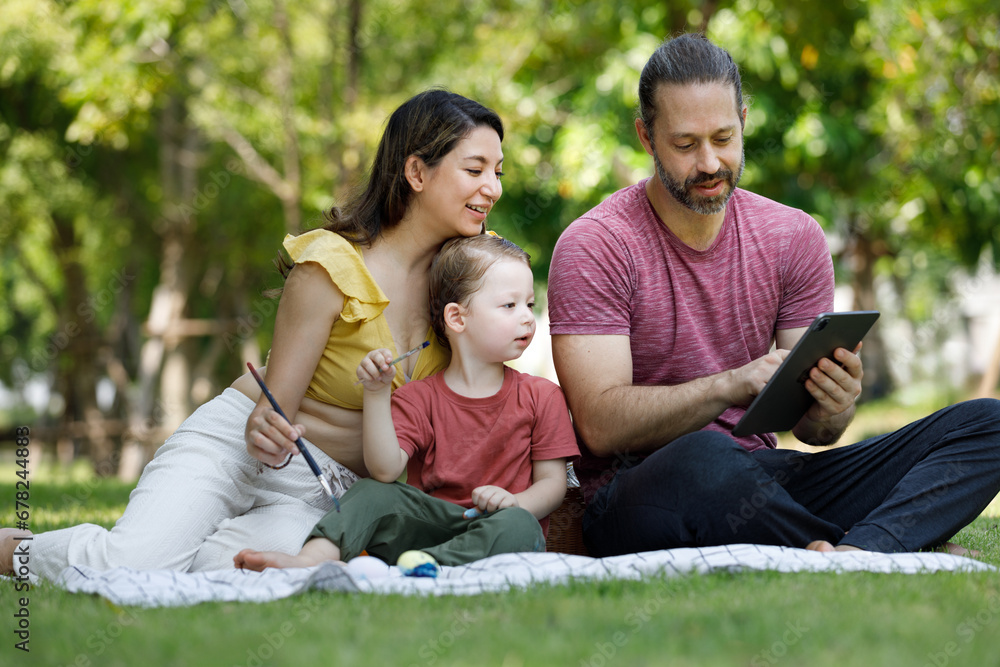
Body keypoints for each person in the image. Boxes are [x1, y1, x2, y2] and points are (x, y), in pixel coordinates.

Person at [1, 89, 508, 580]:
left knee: (231, 574)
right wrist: (264, 429)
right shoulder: (331, 266)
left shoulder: (470, 285)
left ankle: (175, 545)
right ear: (417, 171)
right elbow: (274, 410)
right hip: (235, 447)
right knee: (132, 565)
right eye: (475, 170)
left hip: (321, 490)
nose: (494, 188)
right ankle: (13, 551)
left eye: (498, 172)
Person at [546, 33, 1000, 558]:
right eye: (686, 144)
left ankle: (857, 553)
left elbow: (815, 432)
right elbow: (600, 428)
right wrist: (729, 385)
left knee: (986, 425)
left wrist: (834, 404)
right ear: (647, 138)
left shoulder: (793, 236)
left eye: (723, 137)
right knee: (706, 457)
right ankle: (883, 544)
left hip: (766, 482)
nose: (710, 163)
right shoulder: (595, 244)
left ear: (744, 120)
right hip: (642, 492)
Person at [234, 234, 579, 571]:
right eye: (509, 305)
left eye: (529, 305)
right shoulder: (419, 396)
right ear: (457, 318)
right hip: (424, 526)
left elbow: (552, 485)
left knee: (520, 526)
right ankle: (311, 559)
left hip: (498, 528)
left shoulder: (542, 396)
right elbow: (385, 470)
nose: (526, 317)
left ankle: (420, 570)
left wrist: (514, 503)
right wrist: (376, 392)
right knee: (372, 492)